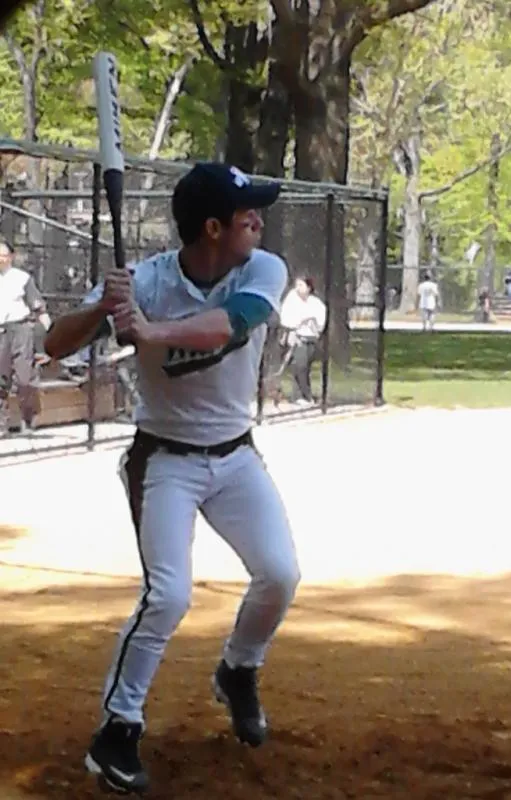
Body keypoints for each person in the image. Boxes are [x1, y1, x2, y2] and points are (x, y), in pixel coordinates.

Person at [44, 162, 301, 795]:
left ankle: (238, 669)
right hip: (164, 461)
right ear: (212, 228)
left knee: (280, 575)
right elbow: (55, 344)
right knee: (169, 596)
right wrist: (105, 310)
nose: (258, 224)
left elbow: (229, 324)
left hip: (236, 456)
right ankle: (117, 731)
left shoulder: (261, 270)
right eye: (247, 217)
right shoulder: (148, 281)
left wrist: (148, 331)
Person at [0, 240, 51, 436]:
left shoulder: (22, 278)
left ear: (11, 257)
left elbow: (38, 307)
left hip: (20, 328)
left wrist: (50, 330)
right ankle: (2, 425)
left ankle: (27, 420)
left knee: (24, 378)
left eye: (3, 254)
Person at [279, 276, 327, 406]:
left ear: (309, 288)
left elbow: (319, 322)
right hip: (297, 338)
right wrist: (298, 324)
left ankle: (301, 395)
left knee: (305, 367)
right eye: (297, 285)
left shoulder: (316, 303)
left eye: (301, 285)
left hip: (311, 338)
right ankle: (304, 396)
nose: (297, 288)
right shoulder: (291, 299)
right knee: (300, 365)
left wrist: (311, 321)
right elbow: (286, 318)